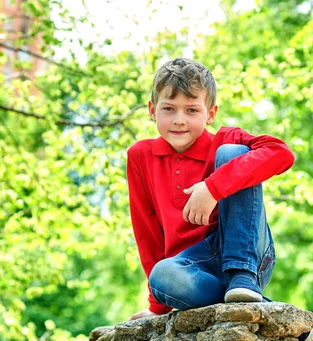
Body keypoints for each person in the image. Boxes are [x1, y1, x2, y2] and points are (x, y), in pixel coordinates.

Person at [126, 57, 295, 321]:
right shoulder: (140, 156)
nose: (179, 120)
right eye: (169, 109)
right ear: (152, 110)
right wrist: (157, 305)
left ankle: (243, 277)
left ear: (211, 113)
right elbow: (146, 231)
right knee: (162, 275)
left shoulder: (224, 140)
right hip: (193, 269)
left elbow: (281, 153)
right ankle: (261, 308)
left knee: (233, 154)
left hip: (248, 251)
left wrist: (214, 188)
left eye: (192, 110)